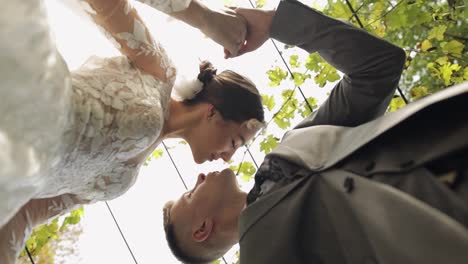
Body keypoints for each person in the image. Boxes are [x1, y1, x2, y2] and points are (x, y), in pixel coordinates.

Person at [163, 0, 468, 263]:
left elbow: (378, 68)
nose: (199, 175)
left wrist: (275, 24)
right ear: (202, 229)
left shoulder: (296, 144)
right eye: (189, 194)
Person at [0, 0, 265, 262]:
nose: (228, 157)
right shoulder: (160, 72)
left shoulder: (122, 181)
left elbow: (26, 213)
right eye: (235, 141)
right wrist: (206, 18)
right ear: (213, 112)